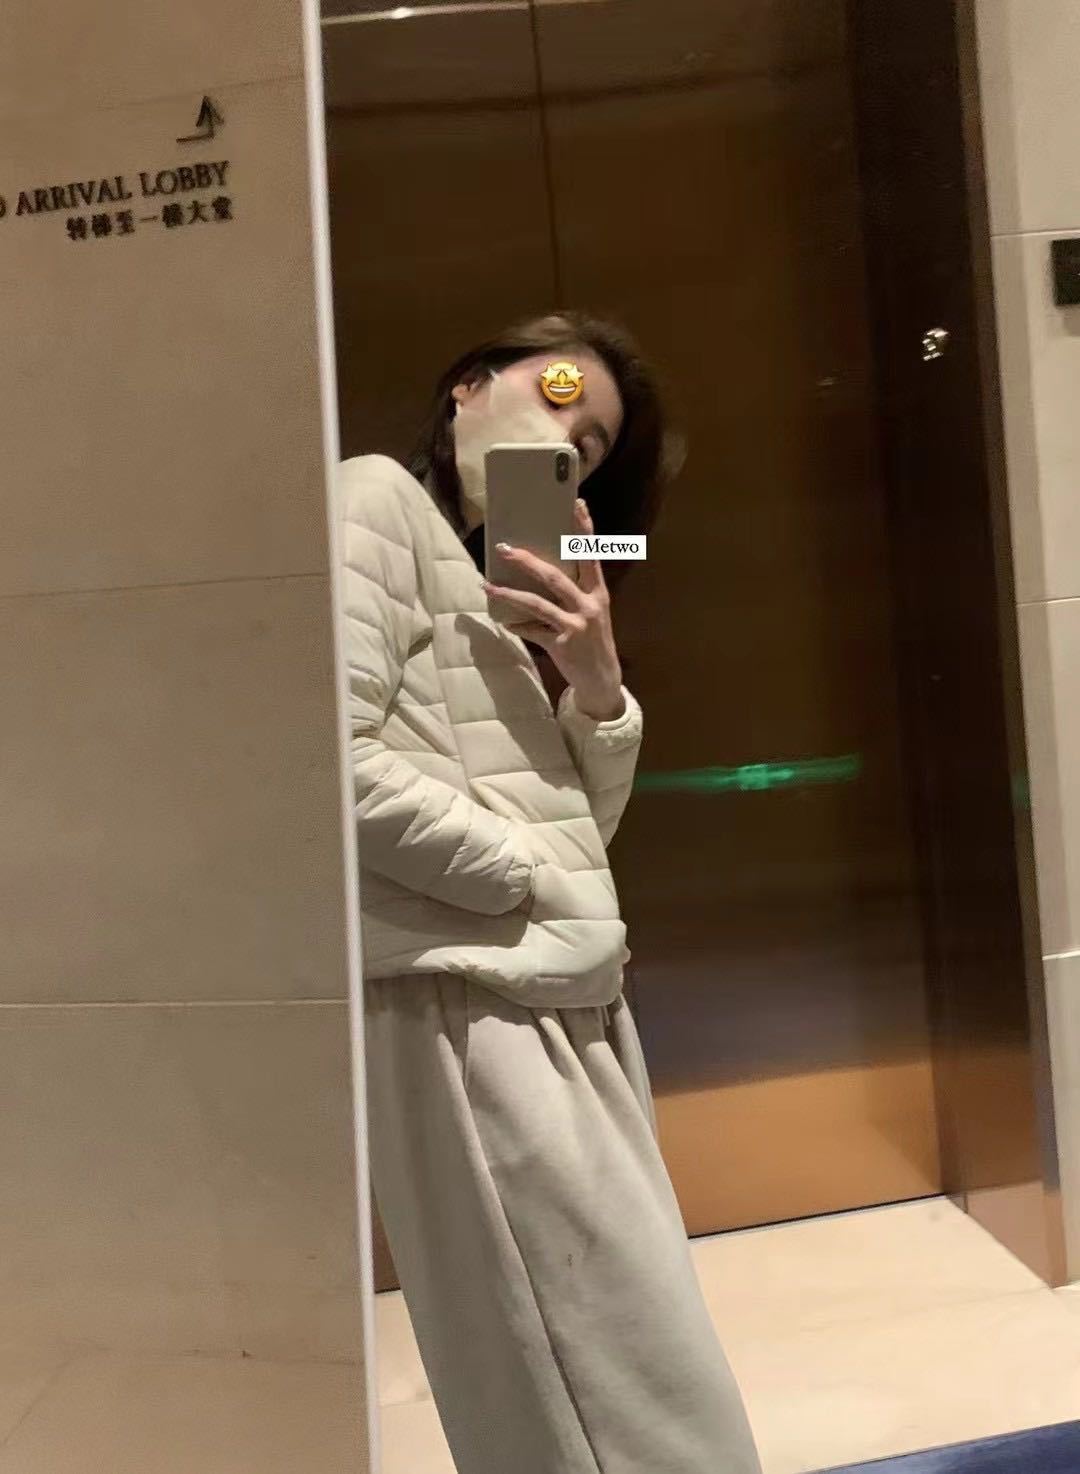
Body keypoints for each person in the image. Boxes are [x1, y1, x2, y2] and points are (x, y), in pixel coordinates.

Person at [340, 311, 761, 1474]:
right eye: (560, 395)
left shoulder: (492, 586)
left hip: (552, 994)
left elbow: (584, 831)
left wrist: (596, 684)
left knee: (620, 1374)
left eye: (593, 444)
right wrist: (520, 874)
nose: (569, 444)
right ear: (469, 386)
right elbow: (319, 753)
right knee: (606, 1399)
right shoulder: (376, 498)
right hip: (477, 1000)